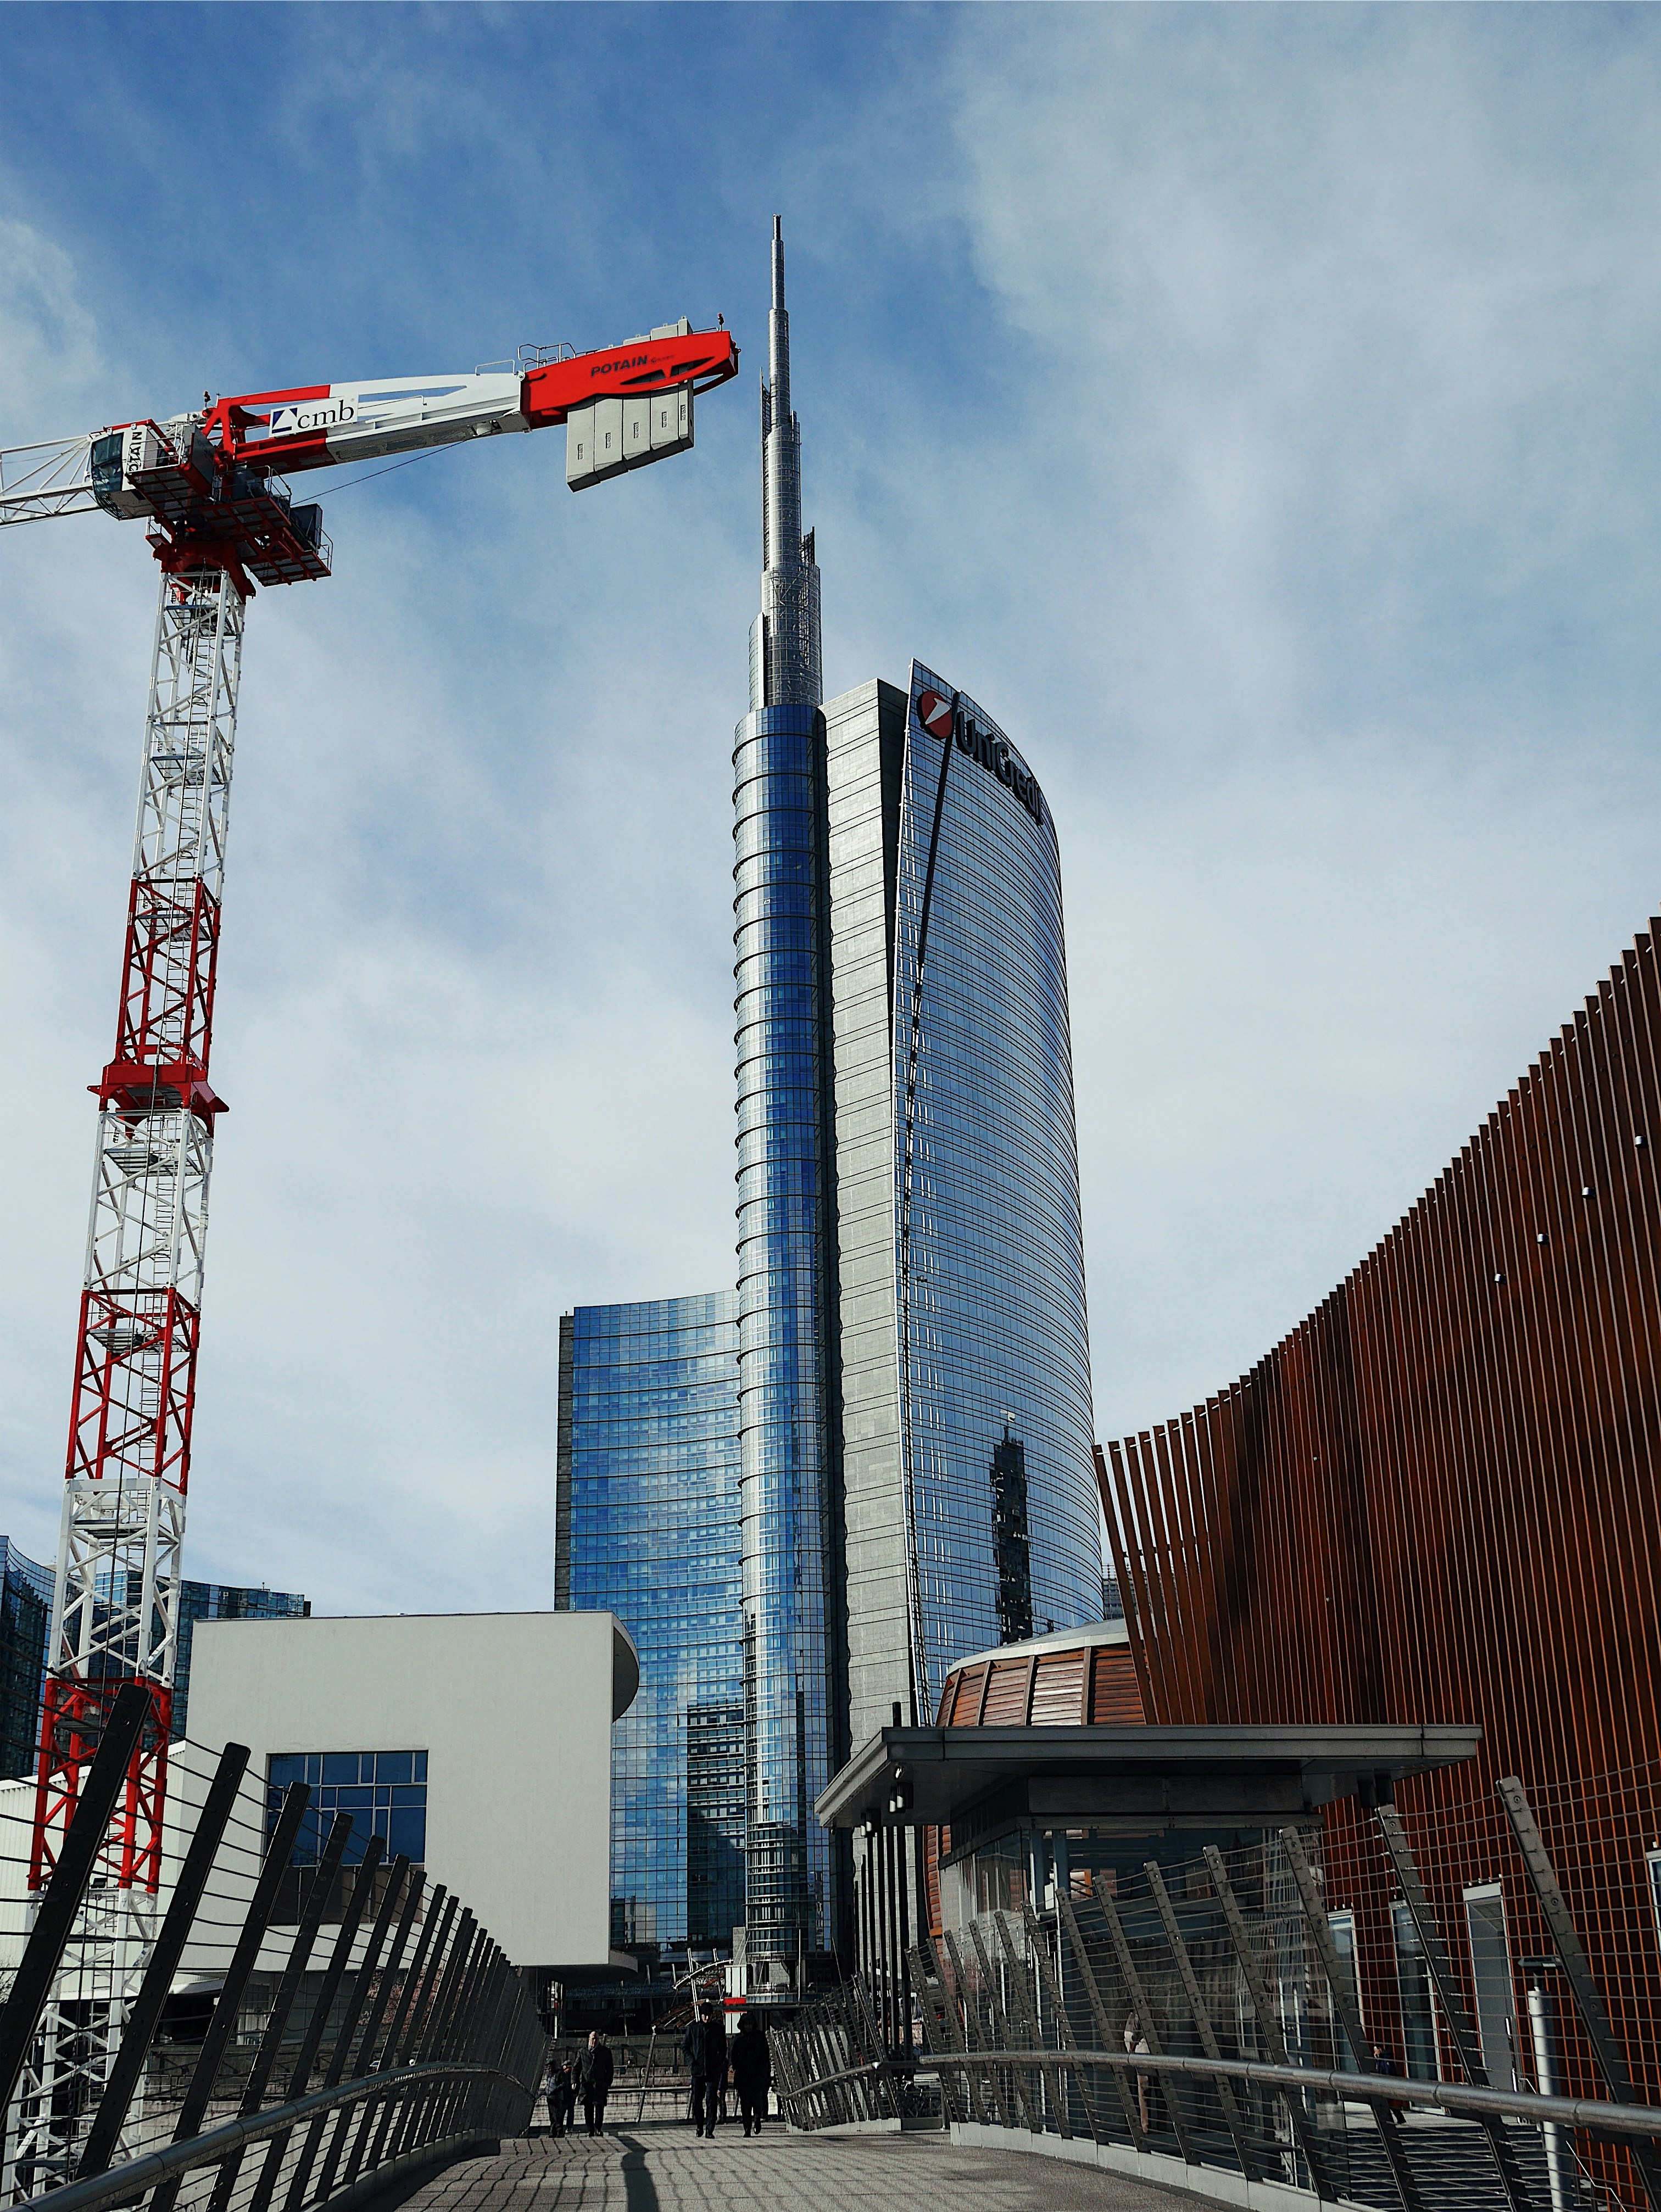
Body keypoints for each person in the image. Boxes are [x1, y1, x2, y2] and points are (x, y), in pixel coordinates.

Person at [681, 2001, 728, 2140]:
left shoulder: (717, 2029)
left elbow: (723, 2049)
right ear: (700, 2015)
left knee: (711, 2101)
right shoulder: (693, 2029)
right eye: (704, 2015)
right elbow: (685, 2047)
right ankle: (700, 2125)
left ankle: (709, 2129)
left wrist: (719, 2062)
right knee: (696, 2101)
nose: (707, 2018)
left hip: (713, 2070)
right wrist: (692, 2062)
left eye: (709, 2015)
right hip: (698, 2070)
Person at [730, 2010, 772, 2137]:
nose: (748, 2026)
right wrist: (736, 2066)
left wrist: (762, 2069)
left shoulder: (760, 2037)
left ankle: (757, 2119)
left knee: (757, 2101)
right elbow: (732, 2055)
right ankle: (747, 2128)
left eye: (750, 2024)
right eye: (746, 2024)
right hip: (743, 2075)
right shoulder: (738, 2039)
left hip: (757, 2075)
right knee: (745, 2104)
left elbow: (765, 2055)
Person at [577, 2031, 614, 2137]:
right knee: (588, 2108)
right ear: (589, 2039)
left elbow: (610, 2068)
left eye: (596, 2039)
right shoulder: (582, 2052)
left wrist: (608, 2082)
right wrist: (574, 2082)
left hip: (600, 2084)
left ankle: (598, 2128)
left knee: (599, 2107)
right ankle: (590, 2129)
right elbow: (577, 2067)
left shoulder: (605, 2052)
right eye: (592, 2039)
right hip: (587, 2085)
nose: (594, 2041)